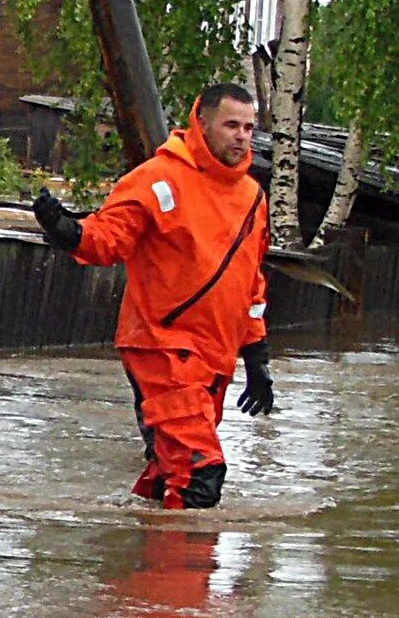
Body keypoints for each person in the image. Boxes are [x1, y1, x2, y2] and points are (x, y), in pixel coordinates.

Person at [32, 83, 275, 509]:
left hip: (213, 357)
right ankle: (181, 570)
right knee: (201, 472)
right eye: (232, 125)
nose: (242, 136)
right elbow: (110, 237)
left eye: (250, 128)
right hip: (160, 346)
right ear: (202, 123)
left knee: (171, 469)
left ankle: (147, 562)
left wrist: (257, 358)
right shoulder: (158, 179)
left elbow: (250, 282)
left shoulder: (252, 197)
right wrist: (68, 231)